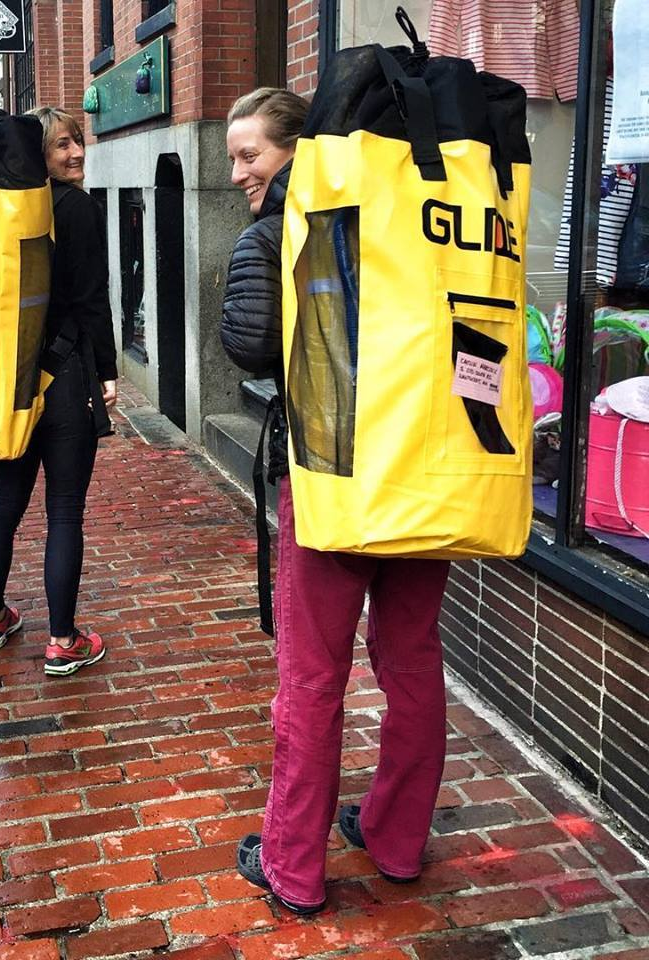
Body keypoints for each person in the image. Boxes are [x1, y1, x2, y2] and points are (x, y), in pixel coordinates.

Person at [222, 88, 453, 915]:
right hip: (424, 474)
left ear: (297, 147)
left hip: (329, 475)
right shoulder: (429, 215)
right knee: (414, 662)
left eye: (251, 154)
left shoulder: (287, 228)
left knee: (312, 679)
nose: (241, 172)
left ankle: (294, 867)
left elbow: (245, 345)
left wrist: (252, 257)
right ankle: (395, 840)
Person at [0, 106, 118, 677]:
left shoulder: (3, 214)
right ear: (39, 156)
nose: (76, 153)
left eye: (78, 141)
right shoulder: (75, 207)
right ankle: (63, 641)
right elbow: (91, 299)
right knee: (64, 511)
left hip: (13, 382)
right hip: (64, 380)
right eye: (61, 146)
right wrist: (107, 371)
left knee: (4, 502)